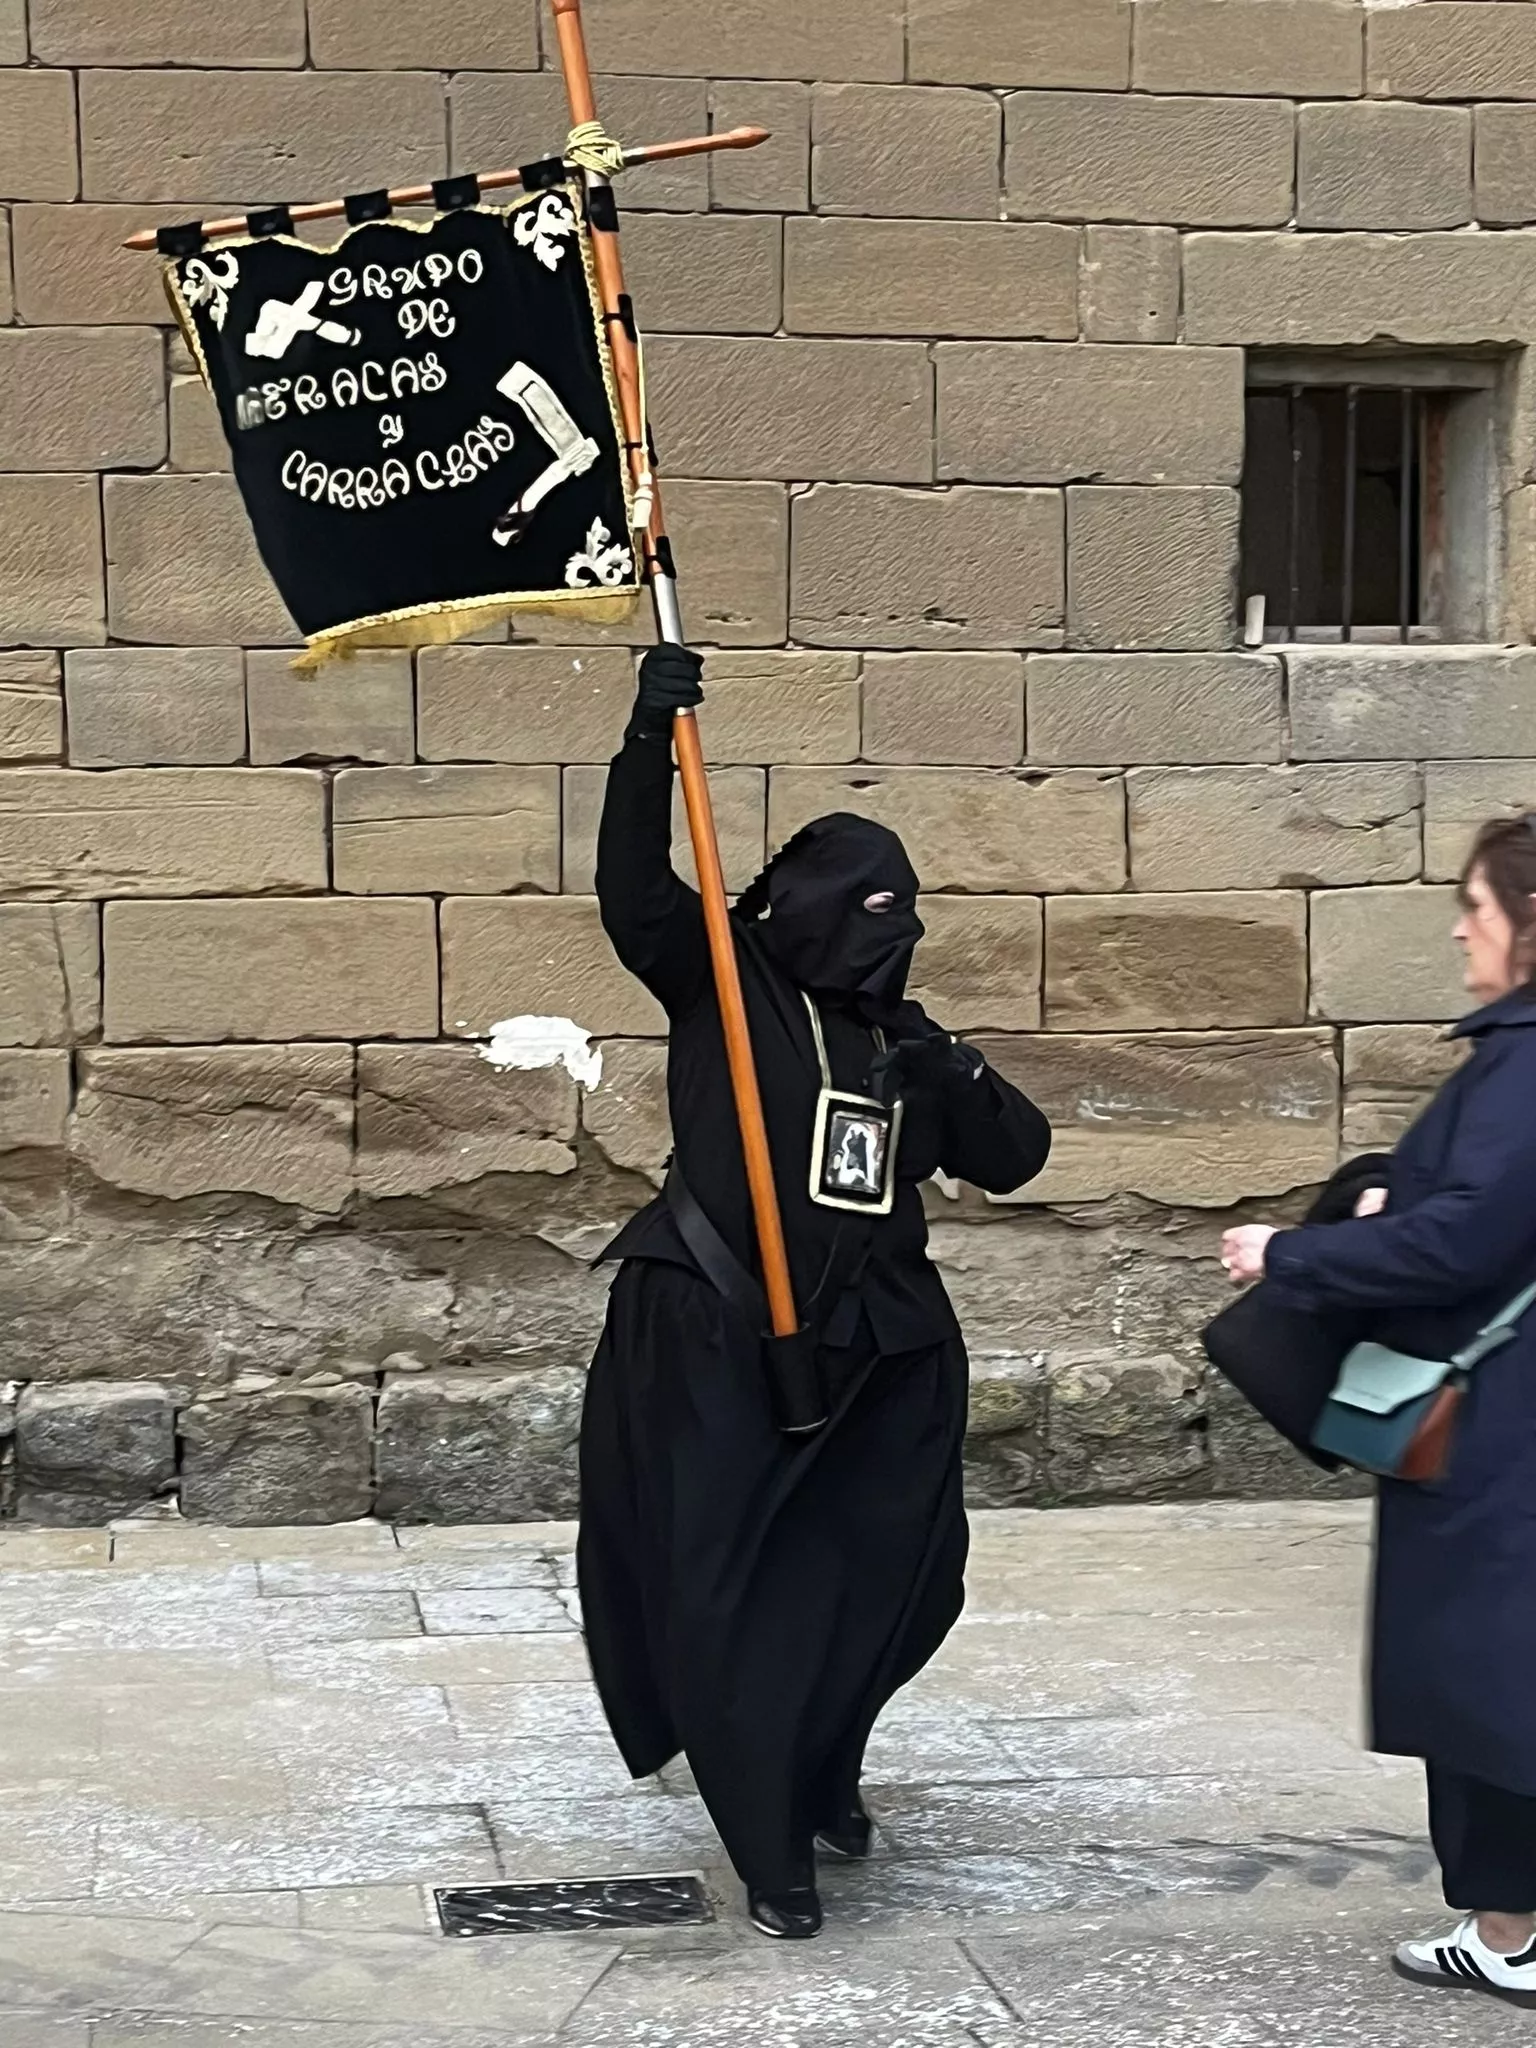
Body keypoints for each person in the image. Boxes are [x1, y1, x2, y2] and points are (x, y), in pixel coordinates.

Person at [577, 645, 1052, 1941]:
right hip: (715, 1339)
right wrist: (644, 738)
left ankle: (826, 1754)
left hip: (877, 1356)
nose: (888, 944)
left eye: (903, 926)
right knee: (742, 1594)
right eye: (869, 918)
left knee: (910, 1574)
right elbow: (630, 891)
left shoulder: (898, 1038)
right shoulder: (723, 982)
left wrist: (945, 1067)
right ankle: (770, 1841)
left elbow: (1018, 1154)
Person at [1222, 815, 1536, 2007]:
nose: (1462, 925)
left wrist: (1289, 1254)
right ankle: (1504, 1917)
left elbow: (1469, 1232)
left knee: (1491, 1672)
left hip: (1500, 1429)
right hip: (1508, 1421)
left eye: (1478, 904)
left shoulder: (1526, 1058)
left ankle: (1512, 1928)